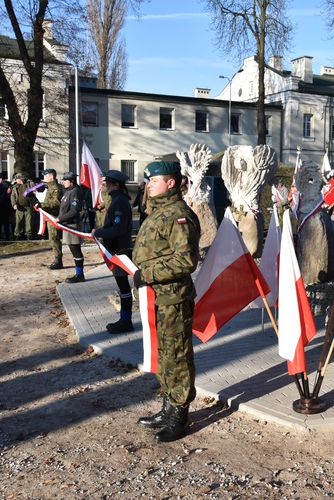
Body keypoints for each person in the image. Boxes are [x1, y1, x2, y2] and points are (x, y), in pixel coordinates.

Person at [132, 161, 200, 443]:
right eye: (149, 181)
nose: (149, 184)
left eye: (154, 180)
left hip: (173, 298)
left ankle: (180, 413)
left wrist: (146, 272)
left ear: (171, 183)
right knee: (163, 353)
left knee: (178, 354)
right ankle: (168, 405)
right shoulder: (159, 212)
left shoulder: (179, 215)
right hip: (156, 296)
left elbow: (185, 261)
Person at [93, 171, 134, 334]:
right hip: (116, 249)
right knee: (122, 287)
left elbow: (118, 228)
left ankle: (126, 320)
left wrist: (98, 232)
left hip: (120, 250)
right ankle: (125, 319)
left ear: (116, 184)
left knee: (124, 288)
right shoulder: (117, 199)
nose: (106, 186)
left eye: (108, 183)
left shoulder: (120, 201)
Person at [55, 172, 85, 283]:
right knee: (72, 248)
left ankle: (79, 274)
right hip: (67, 224)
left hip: (73, 224)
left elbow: (74, 210)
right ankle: (78, 273)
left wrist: (60, 218)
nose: (63, 182)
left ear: (71, 181)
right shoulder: (67, 191)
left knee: (75, 249)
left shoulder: (75, 191)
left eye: (65, 180)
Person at [39, 168, 63, 269]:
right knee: (52, 238)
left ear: (51, 176)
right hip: (50, 216)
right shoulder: (49, 187)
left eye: (46, 176)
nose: (45, 178)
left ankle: (58, 260)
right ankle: (57, 258)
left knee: (54, 238)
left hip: (54, 216)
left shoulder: (55, 188)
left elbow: (56, 202)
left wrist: (42, 205)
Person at [10, 173, 35, 240]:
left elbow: (35, 190)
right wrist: (14, 204)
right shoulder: (15, 187)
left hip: (29, 206)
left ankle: (29, 235)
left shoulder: (30, 184)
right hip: (19, 207)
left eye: (16, 179)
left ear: (20, 179)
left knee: (29, 222)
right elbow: (13, 196)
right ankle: (17, 235)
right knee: (18, 222)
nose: (16, 180)